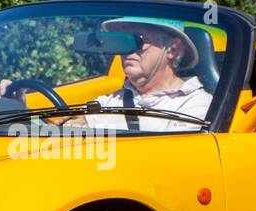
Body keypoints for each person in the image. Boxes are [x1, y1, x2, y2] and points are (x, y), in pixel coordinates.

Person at [79, 17, 212, 132]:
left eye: (138, 40)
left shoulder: (196, 106)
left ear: (173, 49)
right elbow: (75, 126)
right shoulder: (109, 102)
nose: (128, 49)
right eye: (123, 40)